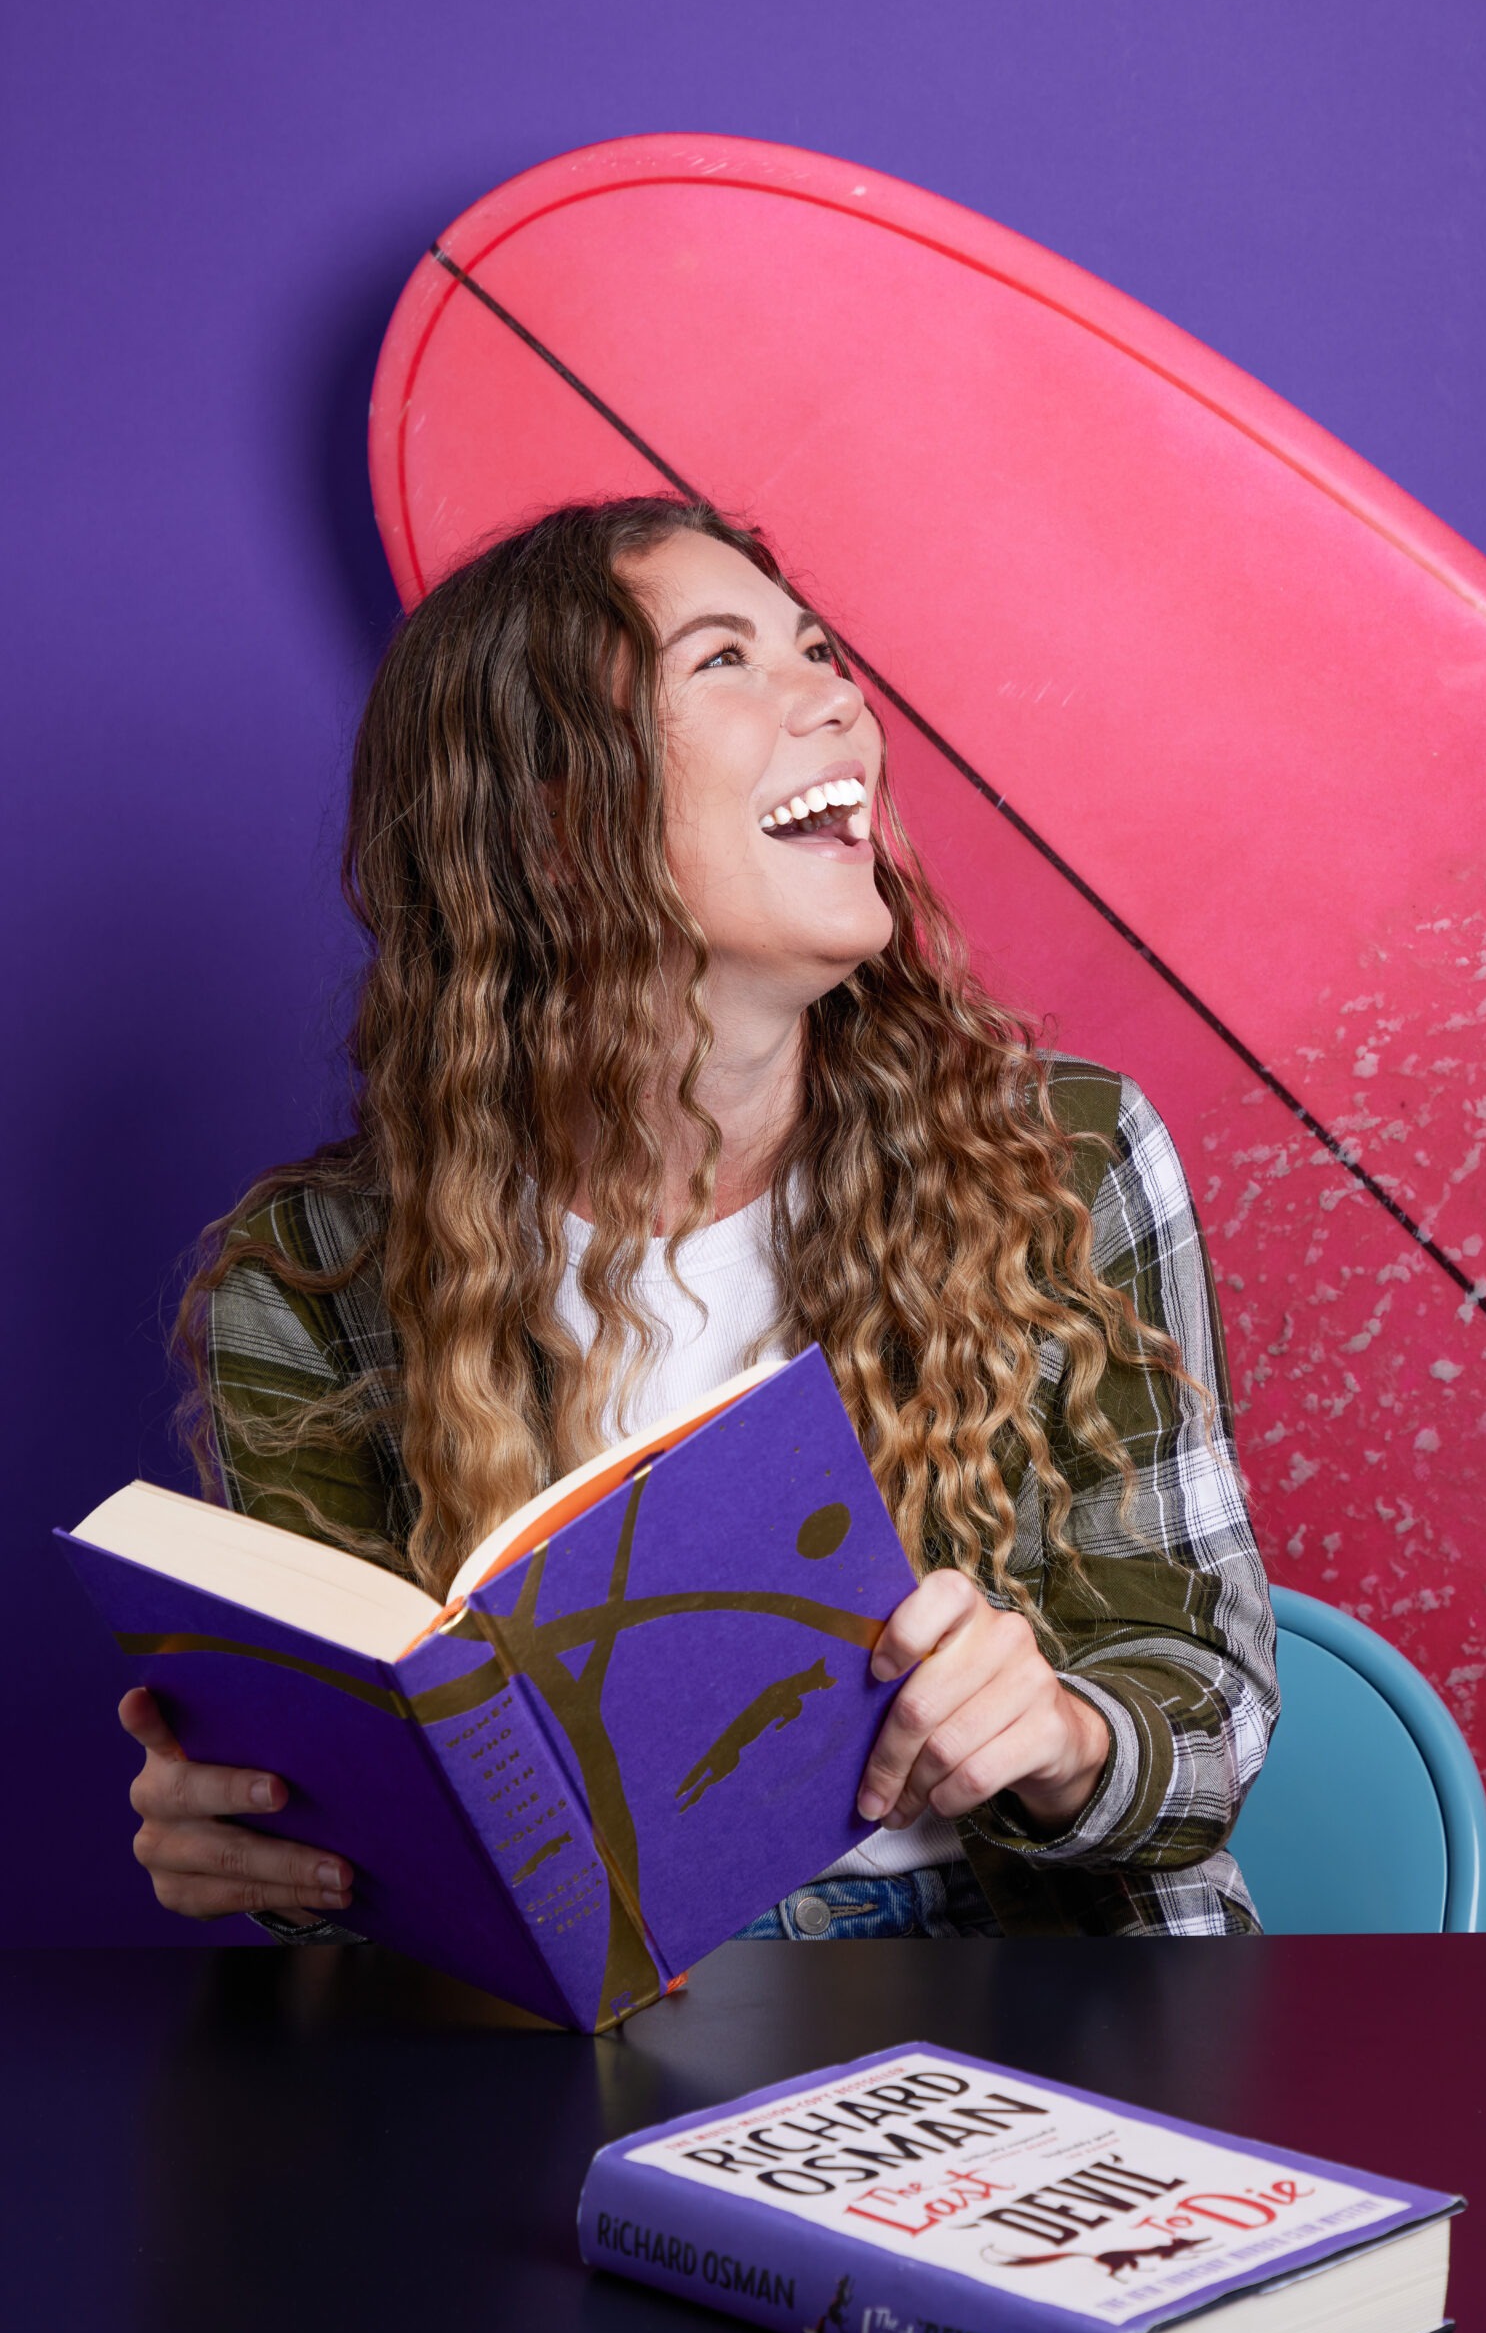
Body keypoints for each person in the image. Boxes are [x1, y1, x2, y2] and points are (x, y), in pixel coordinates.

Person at [122, 497, 1277, 1947]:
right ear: (546, 821)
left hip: (1041, 1971)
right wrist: (277, 1840)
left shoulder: (1062, 1156)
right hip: (629, 2005)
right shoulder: (310, 1280)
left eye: (817, 649)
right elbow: (388, 1856)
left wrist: (1064, 1736)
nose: (838, 697)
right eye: (726, 659)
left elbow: (1212, 1713)